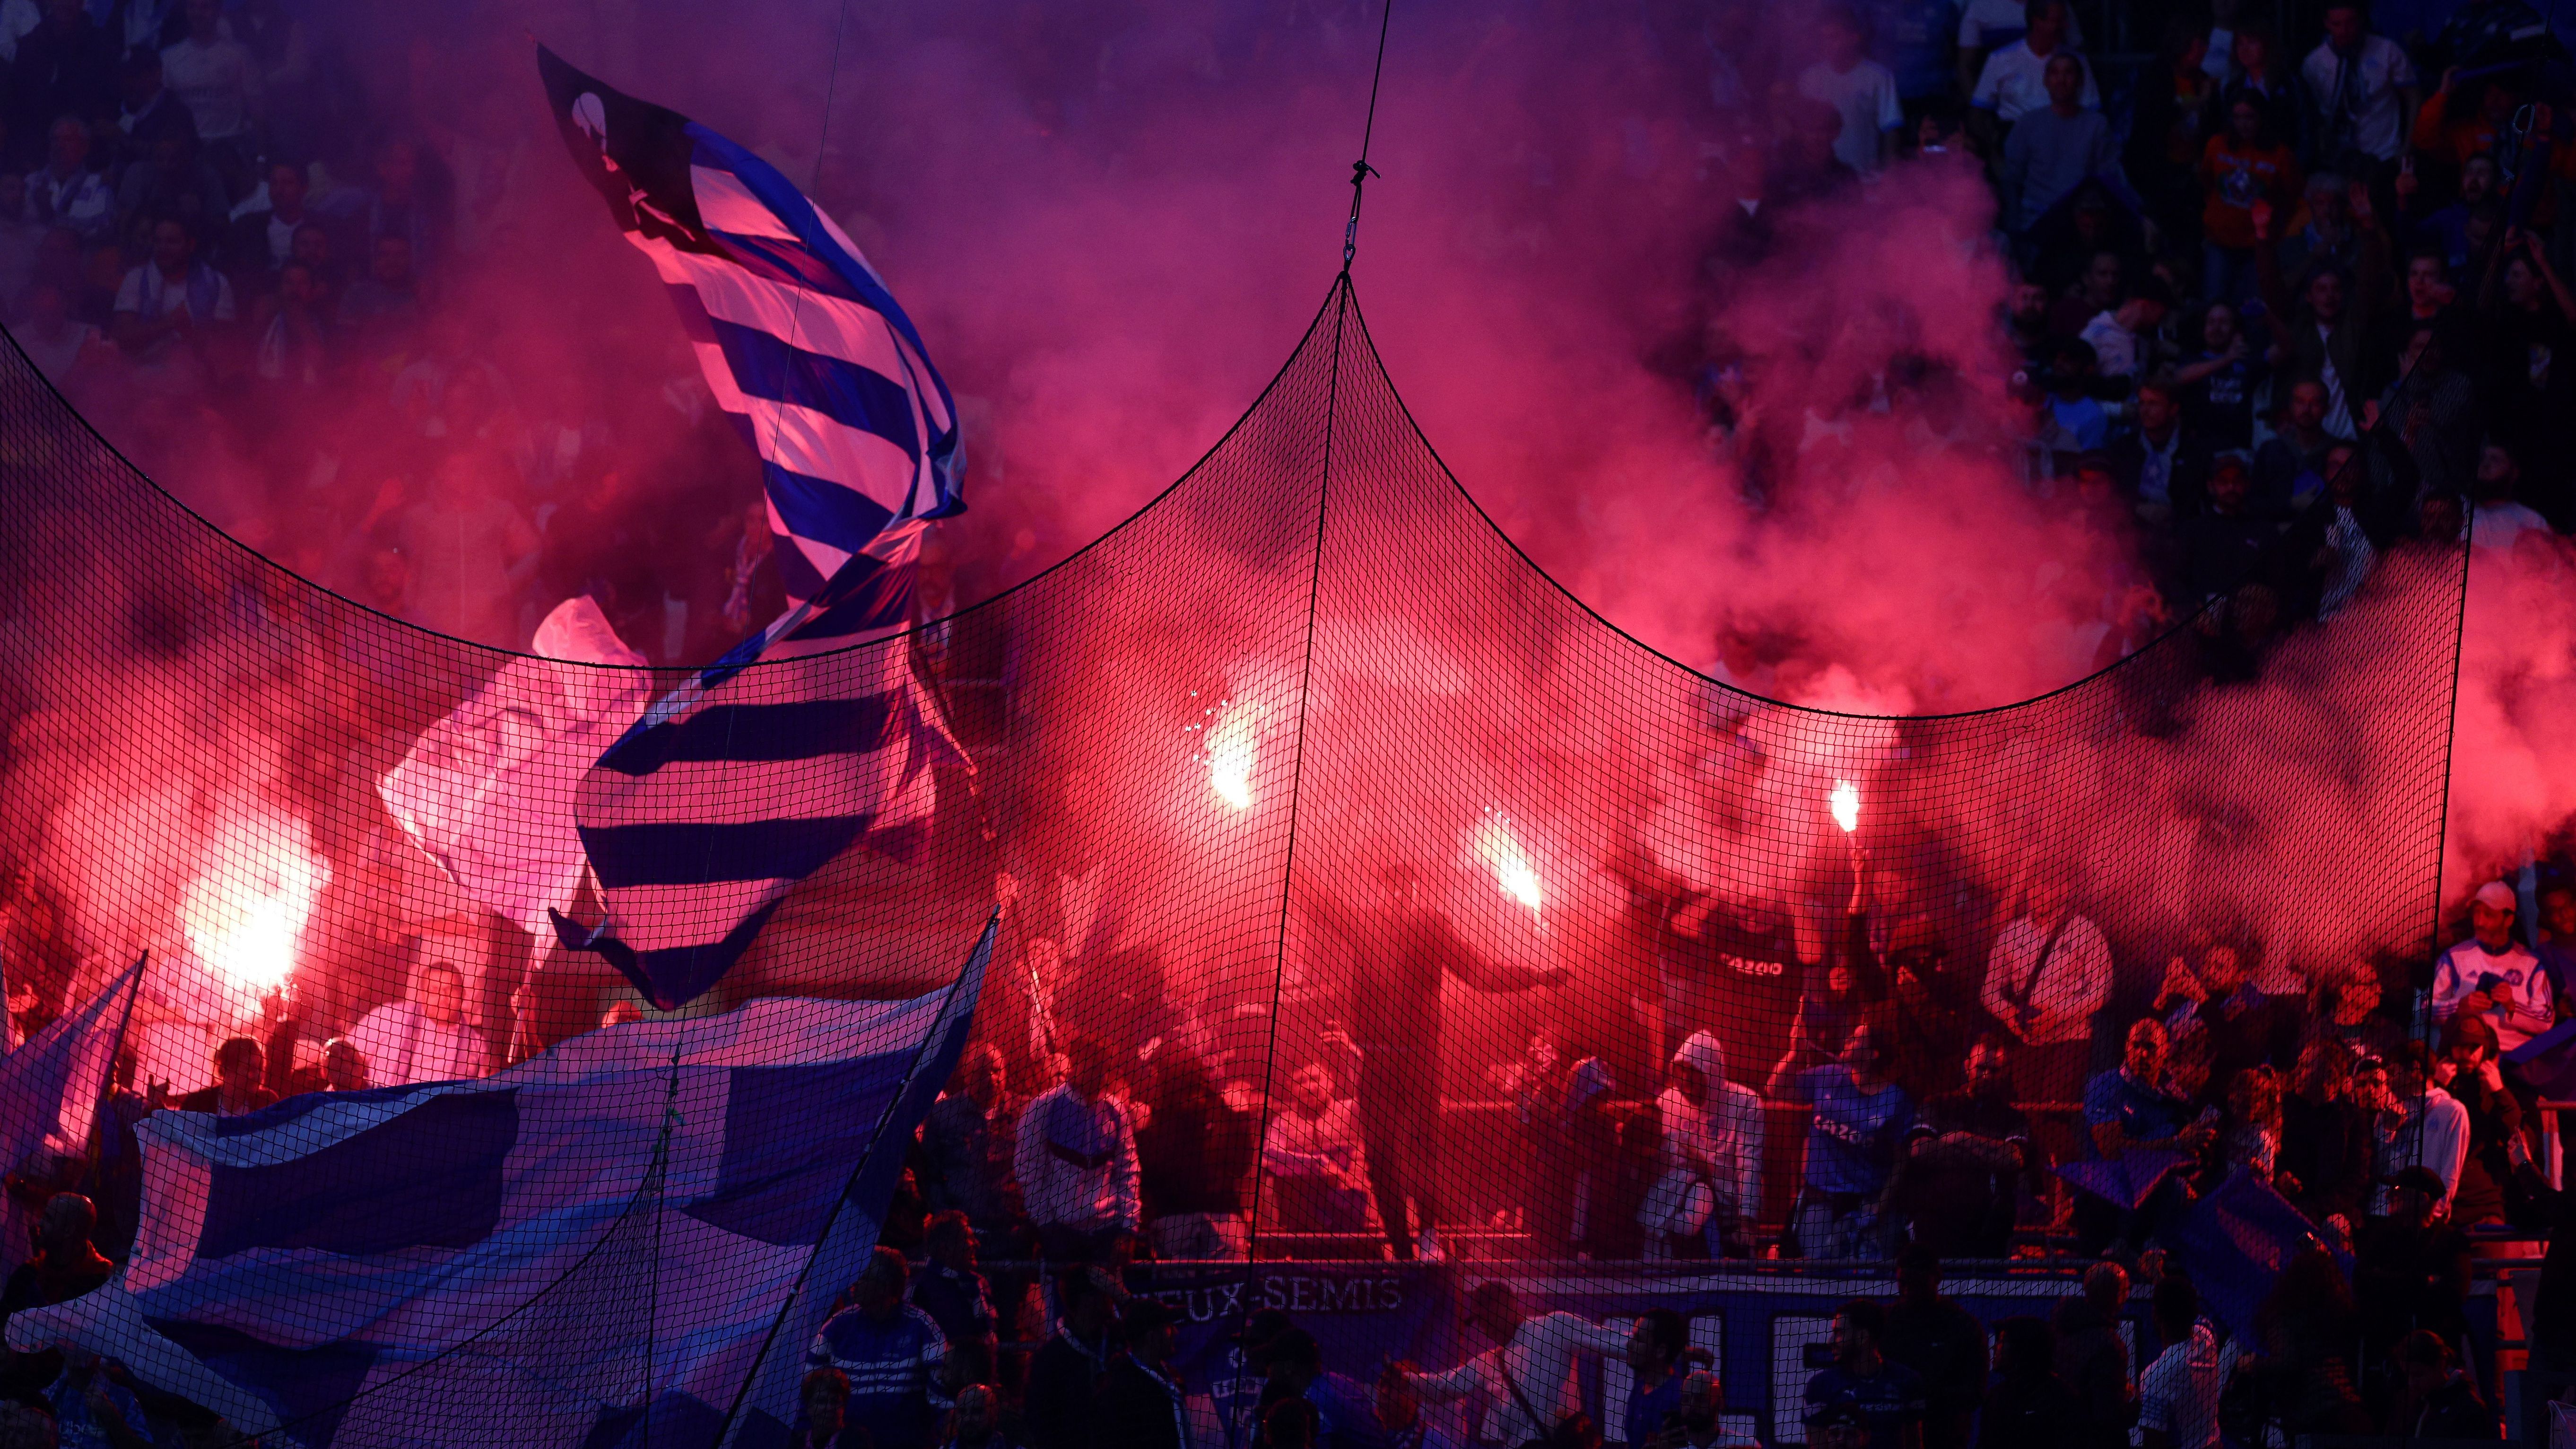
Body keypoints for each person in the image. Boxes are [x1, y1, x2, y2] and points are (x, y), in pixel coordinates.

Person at [1315, 864, 1567, 1261]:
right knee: (1380, 1157)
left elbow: (1481, 974)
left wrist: (1535, 976)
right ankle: (1401, 1247)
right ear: (1378, 889)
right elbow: (1322, 909)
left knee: (1422, 1152)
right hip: (1375, 1060)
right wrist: (1287, 871)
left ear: (1415, 890)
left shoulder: (1430, 927)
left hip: (1419, 1061)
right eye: (1390, 885)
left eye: (1406, 886)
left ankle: (1430, 1237)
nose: (1398, 894)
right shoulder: (1363, 925)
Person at [1401, 1282, 1627, 1448]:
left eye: (1488, 1315)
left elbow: (1620, 1343)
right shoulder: (1488, 1361)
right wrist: (1403, 1377)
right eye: (1480, 1320)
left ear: (1509, 1305)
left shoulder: (1554, 1326)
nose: (1484, 1325)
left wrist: (1654, 1339)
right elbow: (1443, 1388)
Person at [1770, 1023, 1913, 1259]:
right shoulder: (1827, 1075)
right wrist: (1794, 1054)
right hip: (1819, 1199)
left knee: (1863, 1278)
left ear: (1872, 1054)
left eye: (1856, 1039)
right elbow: (1775, 1089)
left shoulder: (1895, 1101)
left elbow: (1901, 1161)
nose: (1847, 1040)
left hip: (1865, 1204)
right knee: (1815, 1270)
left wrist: (1880, 1207)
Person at [2077, 1019, 2215, 1256]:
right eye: (2136, 1046)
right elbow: (2112, 1150)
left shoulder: (2174, 1094)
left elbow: (2190, 1147)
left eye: (2150, 1047)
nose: (2142, 1054)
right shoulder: (2103, 1087)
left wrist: (2195, 1144)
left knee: (2180, 1186)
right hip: (2110, 1189)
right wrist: (2176, 1143)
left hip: (2158, 1191)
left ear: (2165, 1051)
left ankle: (2154, 1249)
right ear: (2126, 1047)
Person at [1899, 1036, 2035, 1258]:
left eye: (1995, 1070)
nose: (1987, 1076)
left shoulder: (2013, 1118)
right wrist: (1988, 1153)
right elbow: (1920, 1150)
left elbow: (2014, 1159)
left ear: (2005, 1072)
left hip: (1986, 1227)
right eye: (1981, 1068)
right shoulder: (1938, 1104)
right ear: (1967, 1066)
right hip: (1933, 1220)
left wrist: (1960, 1139)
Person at [1984, 870, 2111, 1104]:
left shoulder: (2086, 933)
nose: (2039, 893)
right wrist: (2009, 1015)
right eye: (2035, 885)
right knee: (2029, 1112)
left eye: (2048, 885)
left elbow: (2102, 991)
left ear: (2066, 889)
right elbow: (1988, 992)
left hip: (2071, 1039)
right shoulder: (2011, 934)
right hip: (2026, 1041)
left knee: (2054, 1113)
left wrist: (2059, 1016)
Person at [804, 1247, 949, 1449]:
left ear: (887, 1286)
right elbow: (809, 1387)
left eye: (864, 1278)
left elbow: (941, 1397)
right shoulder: (837, 1326)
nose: (855, 1284)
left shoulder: (922, 1326)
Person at [1011, 1034, 1140, 1263]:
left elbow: (1129, 1171)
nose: (1098, 1073)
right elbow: (1028, 1172)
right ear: (1074, 1062)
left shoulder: (1116, 1110)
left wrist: (1127, 1229)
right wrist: (1047, 1226)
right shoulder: (1043, 1108)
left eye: (1103, 1066)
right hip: (1062, 1232)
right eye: (1092, 1064)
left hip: (1107, 1232)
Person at [1638, 1031, 1764, 1260]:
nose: (1686, 1084)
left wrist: (1747, 1220)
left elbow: (1750, 1166)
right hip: (1676, 1206)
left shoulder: (1746, 1103)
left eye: (1694, 1075)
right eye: (1681, 1074)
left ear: (1712, 1074)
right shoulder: (1668, 1102)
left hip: (1728, 1216)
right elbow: (1657, 1162)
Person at [1133, 1047, 1254, 1262]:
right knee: (1226, 1288)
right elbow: (1241, 1166)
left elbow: (1147, 1176)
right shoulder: (1222, 1111)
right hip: (1215, 1216)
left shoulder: (1157, 1120)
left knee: (1179, 1289)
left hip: (1178, 1218)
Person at [2353, 1165, 2471, 1366]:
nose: (2389, 1196)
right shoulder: (2382, 1237)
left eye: (2398, 1191)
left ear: (2422, 1199)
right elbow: (2362, 1282)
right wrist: (2423, 1281)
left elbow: (2453, 1295)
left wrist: (2390, 1283)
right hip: (2386, 1350)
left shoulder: (2452, 1241)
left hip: (2434, 1354)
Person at [917, 1045, 1025, 1252]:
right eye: (982, 1072)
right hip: (964, 1233)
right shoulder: (944, 1115)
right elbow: (930, 1172)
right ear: (967, 1076)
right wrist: (945, 1216)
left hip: (1012, 1231)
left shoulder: (1024, 1112)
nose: (991, 1078)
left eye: (996, 1071)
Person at [2000, 53, 2117, 239]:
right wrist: (2015, 224)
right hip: (2036, 217)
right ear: (2046, 81)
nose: (2061, 80)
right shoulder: (2028, 124)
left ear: (2080, 81)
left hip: (2081, 220)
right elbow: (2012, 177)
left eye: (2068, 73)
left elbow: (2108, 175)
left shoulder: (2096, 125)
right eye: (2055, 73)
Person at [1881, 1247, 1987, 1449]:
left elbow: (1974, 1393)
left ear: (1936, 1278)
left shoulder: (1962, 1326)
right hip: (1892, 1432)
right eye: (1904, 1282)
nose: (1908, 1290)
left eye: (1917, 1282)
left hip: (1942, 1434)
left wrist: (1925, 1398)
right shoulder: (1885, 1322)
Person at [2430, 880, 2550, 1053]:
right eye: (2476, 913)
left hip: (2515, 1062)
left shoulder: (2531, 964)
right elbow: (2427, 1010)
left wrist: (2512, 1006)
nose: (2479, 922)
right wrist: (2459, 1007)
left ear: (2508, 920)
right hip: (2465, 1059)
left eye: (2489, 915)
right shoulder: (2454, 957)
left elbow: (2546, 1020)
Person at [1259, 1058, 1370, 1235]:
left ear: (1331, 1082)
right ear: (1290, 1088)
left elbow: (1369, 1092)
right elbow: (1269, 1154)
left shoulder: (1351, 1110)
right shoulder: (1284, 1121)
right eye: (1300, 1082)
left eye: (1315, 1079)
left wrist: (1349, 1053)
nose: (1309, 1087)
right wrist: (1316, 1163)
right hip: (1306, 1218)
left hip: (1357, 1210)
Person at [2302, 3, 2419, 171]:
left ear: (2361, 20)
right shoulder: (2314, 63)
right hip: (2335, 157)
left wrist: (2408, 145)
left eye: (2350, 22)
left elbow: (2413, 97)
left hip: (2385, 153)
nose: (2344, 30)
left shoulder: (2387, 51)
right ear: (2327, 24)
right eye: (2337, 24)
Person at [2431, 1014, 2519, 1228]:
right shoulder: (2437, 1088)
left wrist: (2500, 1093)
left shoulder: (2494, 1089)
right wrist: (2437, 1089)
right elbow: (2425, 1134)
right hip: (2441, 1203)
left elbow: (2517, 1136)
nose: (2468, 1054)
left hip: (2485, 1203)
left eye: (2475, 1047)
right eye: (2461, 1046)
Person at [1802, 1299, 1927, 1449]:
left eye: (1839, 1333)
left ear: (1863, 1337)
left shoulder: (1908, 1381)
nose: (1831, 1341)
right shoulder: (1820, 1386)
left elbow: (1915, 1444)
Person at [1796, 7, 1902, 181]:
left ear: (1854, 38)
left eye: (1834, 37)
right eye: (1823, 38)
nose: (1826, 44)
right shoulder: (1810, 78)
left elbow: (1891, 128)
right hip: (1817, 178)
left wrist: (1889, 175)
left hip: (1863, 177)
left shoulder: (1879, 77)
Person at [2278, 1040, 2370, 1230]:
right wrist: (2280, 1176)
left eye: (2305, 1066)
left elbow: (2356, 1180)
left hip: (2326, 1214)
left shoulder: (2352, 1120)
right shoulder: (2289, 1106)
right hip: (2285, 1200)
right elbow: (2274, 1152)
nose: (2297, 1071)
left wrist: (2318, 1210)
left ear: (2329, 1076)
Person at [348, 960, 485, 1086]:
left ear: (463, 994)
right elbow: (344, 1057)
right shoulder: (389, 1017)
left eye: (451, 990)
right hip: (381, 1108)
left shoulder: (477, 1045)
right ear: (422, 994)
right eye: (434, 990)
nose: (443, 997)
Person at [1021, 1267, 1114, 1449]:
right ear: (1084, 1301)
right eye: (1102, 1294)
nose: (1108, 1300)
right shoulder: (1048, 1360)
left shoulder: (1118, 1346)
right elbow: (1039, 1424)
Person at [1970, 0, 2097, 129]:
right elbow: (1979, 109)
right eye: (2057, 21)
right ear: (2037, 22)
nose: (2065, 26)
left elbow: (2092, 110)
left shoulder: (2078, 61)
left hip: (2066, 135)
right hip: (2013, 135)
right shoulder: (1999, 59)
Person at [909, 1213, 997, 1390]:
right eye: (968, 1239)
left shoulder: (978, 1284)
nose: (976, 1244)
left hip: (978, 1381)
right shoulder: (923, 1288)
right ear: (945, 1249)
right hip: (941, 1384)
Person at [2051, 1264, 2133, 1449]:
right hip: (2091, 1439)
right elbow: (2108, 1413)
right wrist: (2133, 1403)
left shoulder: (2060, 1327)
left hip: (2062, 1434)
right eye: (2126, 1289)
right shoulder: (2109, 1345)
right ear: (2117, 1295)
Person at [2137, 1274, 2219, 1449]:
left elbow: (2153, 1442)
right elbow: (2184, 1304)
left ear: (2156, 1316)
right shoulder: (2207, 1337)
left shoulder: (2156, 1375)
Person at [1094, 1299, 1188, 1449]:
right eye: (1168, 1327)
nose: (1175, 1332)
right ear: (1152, 1336)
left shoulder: (1170, 1377)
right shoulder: (1120, 1390)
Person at [1976, 1317, 2080, 1449]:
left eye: (2002, 1341)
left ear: (2022, 1349)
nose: (1995, 1347)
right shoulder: (1997, 1396)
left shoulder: (2060, 1399)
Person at [2388, 1328, 2491, 1438]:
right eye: (2407, 1375)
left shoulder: (2469, 1410)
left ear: (2440, 1365)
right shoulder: (2413, 1404)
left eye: (2418, 1375)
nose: (2411, 1383)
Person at [1623, 1309, 1693, 1449]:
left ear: (1660, 1351)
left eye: (1638, 1339)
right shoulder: (1640, 1387)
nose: (1629, 1345)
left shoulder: (1678, 1397)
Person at [175, 1036, 275, 1115]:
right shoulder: (197, 1103)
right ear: (226, 1070)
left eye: (261, 1069)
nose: (258, 1075)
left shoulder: (267, 1102)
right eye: (250, 1069)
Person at [789, 1370, 866, 1449]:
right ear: (808, 1406)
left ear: (844, 1405)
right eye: (821, 1401)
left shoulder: (856, 1439)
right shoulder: (797, 1441)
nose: (829, 1408)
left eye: (835, 1402)